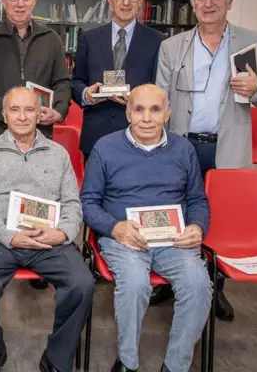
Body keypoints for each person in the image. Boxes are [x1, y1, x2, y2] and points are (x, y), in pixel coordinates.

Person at [154, 0, 257, 321]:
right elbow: (160, 98)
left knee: (220, 218)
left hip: (227, 145)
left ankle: (215, 287)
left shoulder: (251, 41)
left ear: (229, 1)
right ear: (192, 5)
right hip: (181, 145)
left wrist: (256, 87)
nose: (208, 4)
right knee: (177, 211)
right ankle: (170, 280)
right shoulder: (172, 46)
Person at [81, 84, 212, 372]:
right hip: (124, 238)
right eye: (139, 109)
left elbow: (197, 200)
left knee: (198, 284)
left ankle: (176, 366)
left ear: (167, 114)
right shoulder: (105, 148)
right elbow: (88, 202)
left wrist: (198, 227)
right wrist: (114, 228)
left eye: (155, 109)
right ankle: (128, 362)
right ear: (128, 112)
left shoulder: (184, 149)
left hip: (172, 240)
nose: (147, 117)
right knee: (135, 284)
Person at [0, 87, 94, 372]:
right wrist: (9, 235)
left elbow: (73, 204)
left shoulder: (59, 154)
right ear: (4, 114)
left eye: (29, 110)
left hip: (48, 239)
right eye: (15, 110)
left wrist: (61, 233)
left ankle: (57, 359)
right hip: (0, 238)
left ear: (40, 114)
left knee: (82, 284)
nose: (22, 117)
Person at [71, 0, 164, 162]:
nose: (126, 2)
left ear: (141, 1)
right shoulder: (89, 39)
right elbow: (76, 81)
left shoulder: (158, 41)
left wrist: (140, 98)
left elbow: (160, 88)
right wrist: (86, 94)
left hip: (141, 135)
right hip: (96, 136)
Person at [0, 0, 72, 150]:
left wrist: (59, 110)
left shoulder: (51, 39)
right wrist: (8, 113)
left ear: (34, 1)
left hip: (40, 131)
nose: (20, 4)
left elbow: (62, 82)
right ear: (4, 1)